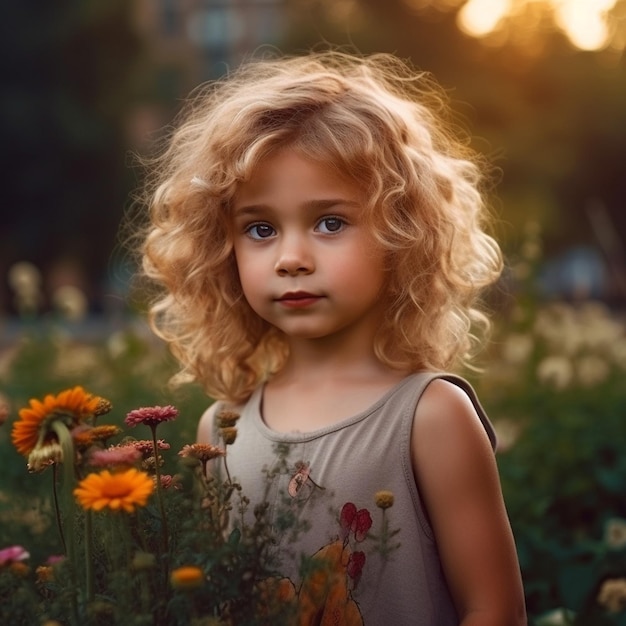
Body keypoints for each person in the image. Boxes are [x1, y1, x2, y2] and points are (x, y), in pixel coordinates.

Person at [138, 50, 526, 625]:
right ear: (223, 249)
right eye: (261, 229)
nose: (292, 258)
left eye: (329, 222)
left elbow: (495, 611)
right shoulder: (221, 429)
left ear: (403, 233)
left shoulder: (430, 415)